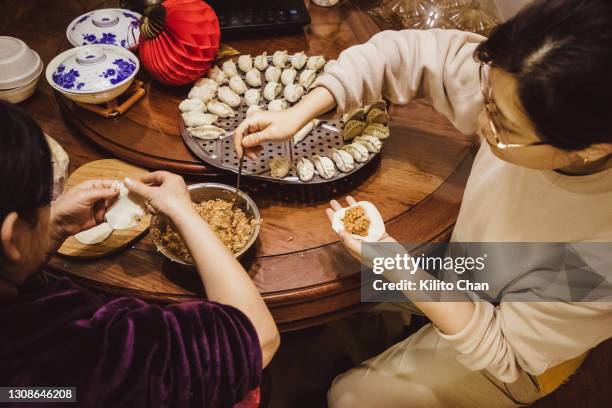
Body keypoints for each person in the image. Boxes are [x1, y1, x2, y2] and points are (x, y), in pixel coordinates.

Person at [234, 0, 612, 406]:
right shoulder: (519, 85)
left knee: (352, 396)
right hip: (466, 267)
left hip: (518, 349)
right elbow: (407, 54)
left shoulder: (600, 253)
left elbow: (505, 351)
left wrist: (395, 265)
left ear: (591, 149)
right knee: (337, 283)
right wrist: (304, 111)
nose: (482, 122)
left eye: (501, 125)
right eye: (485, 94)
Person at [0, 100, 280, 407]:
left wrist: (51, 229)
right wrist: (182, 212)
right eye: (45, 201)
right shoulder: (78, 357)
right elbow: (258, 338)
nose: (50, 207)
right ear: (12, 237)